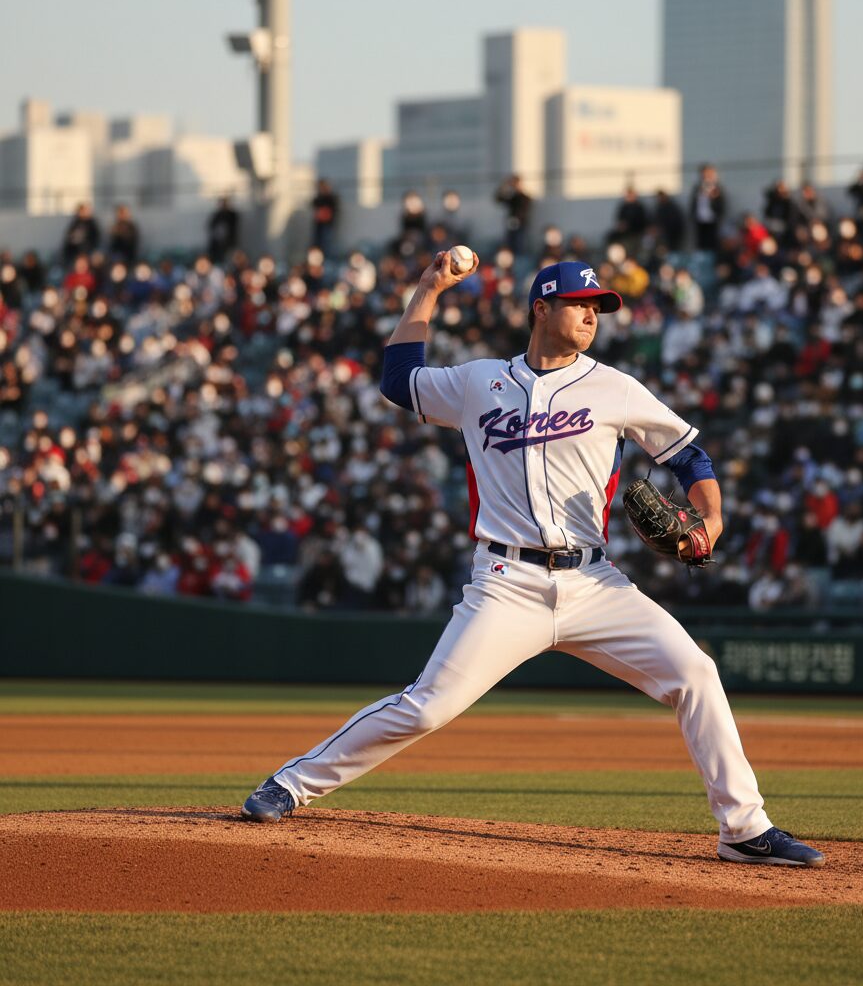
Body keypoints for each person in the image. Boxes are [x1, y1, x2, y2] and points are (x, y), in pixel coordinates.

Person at [241, 252, 825, 868]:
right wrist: (429, 288)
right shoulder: (477, 381)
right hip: (505, 583)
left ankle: (743, 828)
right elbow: (397, 380)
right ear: (541, 309)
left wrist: (711, 519)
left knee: (695, 675)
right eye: (579, 304)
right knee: (428, 705)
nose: (591, 315)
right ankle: (292, 783)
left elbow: (689, 455)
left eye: (597, 307)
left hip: (595, 584)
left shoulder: (614, 387)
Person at [689, 164, 727, 252]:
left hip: (712, 220)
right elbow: (693, 203)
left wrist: (713, 198)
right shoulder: (698, 187)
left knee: (712, 243)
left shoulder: (717, 187)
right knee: (701, 243)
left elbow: (721, 204)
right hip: (700, 220)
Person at [494, 174, 532, 255]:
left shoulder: (525, 197)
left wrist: (517, 219)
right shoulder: (512, 197)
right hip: (511, 225)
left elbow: (524, 210)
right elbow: (498, 199)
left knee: (519, 245)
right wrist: (503, 187)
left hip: (521, 225)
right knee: (509, 245)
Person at [61, 203, 100, 267]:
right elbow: (69, 237)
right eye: (82, 211)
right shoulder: (75, 223)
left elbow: (95, 239)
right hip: (74, 252)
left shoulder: (92, 224)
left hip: (88, 251)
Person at [311, 178, 340, 254]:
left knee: (327, 243)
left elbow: (333, 208)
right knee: (317, 243)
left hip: (327, 224)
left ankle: (326, 257)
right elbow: (314, 203)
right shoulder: (319, 198)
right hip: (319, 225)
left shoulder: (331, 198)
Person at [207, 197, 240, 263]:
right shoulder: (216, 215)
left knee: (230, 258)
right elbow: (211, 225)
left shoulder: (232, 215)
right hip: (217, 243)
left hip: (229, 242)